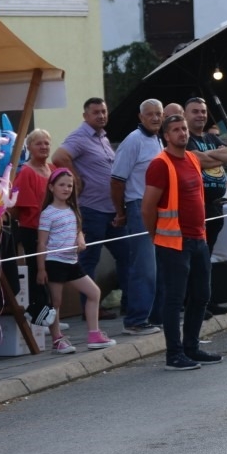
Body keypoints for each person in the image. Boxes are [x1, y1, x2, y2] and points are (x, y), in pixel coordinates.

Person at [141, 114, 223, 371]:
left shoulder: (191, 159)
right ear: (166, 135)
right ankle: (173, 354)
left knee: (201, 296)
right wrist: (156, 236)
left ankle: (191, 347)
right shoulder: (160, 164)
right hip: (174, 243)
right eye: (176, 130)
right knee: (174, 299)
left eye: (184, 129)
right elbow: (147, 207)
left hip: (198, 237)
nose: (182, 133)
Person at [51, 97, 128, 320]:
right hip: (92, 209)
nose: (101, 116)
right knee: (89, 260)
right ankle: (90, 310)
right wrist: (75, 177)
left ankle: (129, 303)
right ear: (86, 116)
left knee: (126, 255)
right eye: (96, 112)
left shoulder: (103, 138)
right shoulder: (80, 136)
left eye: (104, 111)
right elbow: (59, 157)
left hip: (112, 209)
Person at [37, 168, 117, 354]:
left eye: (69, 186)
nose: (66, 189)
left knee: (94, 292)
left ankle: (94, 334)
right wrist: (42, 269)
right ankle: (57, 339)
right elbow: (41, 243)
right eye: (61, 185)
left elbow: (78, 229)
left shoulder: (73, 209)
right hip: (54, 261)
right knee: (55, 302)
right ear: (51, 187)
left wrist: (80, 239)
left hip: (72, 262)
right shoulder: (48, 213)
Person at [109, 98, 164, 335]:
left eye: (158, 114)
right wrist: (120, 211)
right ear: (140, 117)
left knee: (158, 265)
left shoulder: (158, 140)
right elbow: (116, 180)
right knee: (144, 266)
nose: (154, 118)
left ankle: (153, 316)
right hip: (139, 206)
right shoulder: (134, 141)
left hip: (159, 207)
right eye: (149, 114)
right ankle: (135, 320)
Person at [184, 96, 227, 315]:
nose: (200, 115)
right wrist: (218, 158)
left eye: (203, 111)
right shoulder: (185, 138)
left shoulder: (210, 137)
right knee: (197, 258)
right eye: (195, 111)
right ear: (186, 114)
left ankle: (207, 300)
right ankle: (194, 303)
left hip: (217, 205)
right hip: (199, 205)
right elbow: (194, 159)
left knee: (208, 256)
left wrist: (208, 157)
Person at [10, 128, 55, 318]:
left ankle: (50, 313)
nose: (44, 147)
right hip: (33, 230)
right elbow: (19, 207)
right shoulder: (26, 172)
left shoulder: (53, 169)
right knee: (37, 271)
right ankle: (39, 313)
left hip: (53, 230)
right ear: (29, 147)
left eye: (46, 143)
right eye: (39, 143)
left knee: (51, 272)